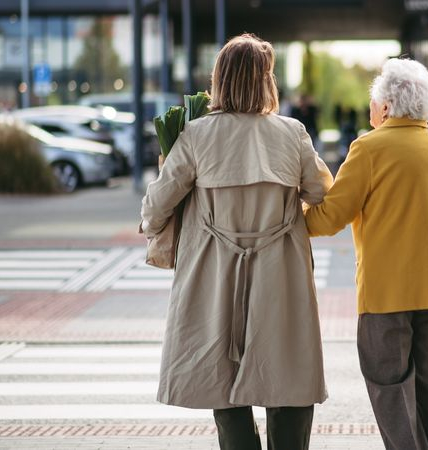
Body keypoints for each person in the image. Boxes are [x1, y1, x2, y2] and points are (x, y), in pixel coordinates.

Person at [140, 33, 333, 450]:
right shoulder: (291, 132)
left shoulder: (196, 134)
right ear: (266, 81)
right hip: (280, 269)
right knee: (288, 371)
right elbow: (320, 193)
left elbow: (156, 206)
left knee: (220, 374)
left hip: (214, 270)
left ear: (220, 80)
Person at [304, 58, 428, 450]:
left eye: (374, 102)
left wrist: (290, 217)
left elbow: (330, 217)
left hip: (386, 298)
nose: (372, 109)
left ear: (386, 107)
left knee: (389, 387)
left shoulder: (368, 149)